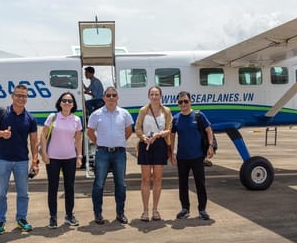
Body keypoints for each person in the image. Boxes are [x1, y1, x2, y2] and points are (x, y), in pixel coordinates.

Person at [0, 84, 40, 234]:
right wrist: (2, 134)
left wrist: (35, 162)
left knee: (23, 193)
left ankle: (21, 219)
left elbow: (34, 142)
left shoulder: (30, 118)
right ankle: (0, 222)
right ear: (12, 96)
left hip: (22, 161)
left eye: (24, 96)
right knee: (0, 193)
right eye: (18, 95)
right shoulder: (1, 112)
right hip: (2, 159)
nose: (21, 98)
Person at [86, 86, 134, 224]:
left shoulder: (124, 114)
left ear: (118, 97)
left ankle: (120, 213)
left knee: (121, 184)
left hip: (119, 153)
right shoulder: (96, 114)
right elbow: (90, 132)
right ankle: (98, 214)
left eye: (114, 95)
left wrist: (119, 141)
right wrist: (98, 143)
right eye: (108, 95)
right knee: (99, 184)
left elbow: (129, 130)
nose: (111, 98)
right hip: (102, 153)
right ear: (104, 98)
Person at [39, 91, 83, 228]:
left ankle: (69, 215)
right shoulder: (53, 117)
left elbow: (78, 139)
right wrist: (44, 154)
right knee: (53, 188)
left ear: (73, 104)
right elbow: (43, 135)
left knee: (69, 188)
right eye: (64, 100)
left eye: (70, 101)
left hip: (70, 157)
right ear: (60, 102)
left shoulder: (76, 120)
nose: (67, 103)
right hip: (53, 158)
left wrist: (79, 155)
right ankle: (53, 217)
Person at [169, 91, 215, 220]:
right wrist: (172, 152)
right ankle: (185, 208)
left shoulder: (199, 116)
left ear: (190, 102)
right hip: (182, 157)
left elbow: (208, 130)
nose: (183, 104)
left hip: (197, 156)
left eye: (185, 101)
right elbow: (172, 136)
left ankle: (202, 209)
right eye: (180, 102)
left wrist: (210, 145)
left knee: (200, 183)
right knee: (183, 184)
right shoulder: (176, 118)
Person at [135, 85, 173, 221]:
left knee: (157, 179)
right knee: (145, 179)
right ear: (148, 96)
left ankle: (155, 210)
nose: (154, 97)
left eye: (157, 94)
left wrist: (159, 134)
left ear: (160, 96)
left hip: (160, 145)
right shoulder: (143, 110)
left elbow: (169, 128)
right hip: (146, 145)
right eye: (152, 94)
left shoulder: (166, 111)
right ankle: (145, 211)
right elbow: (137, 127)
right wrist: (143, 137)